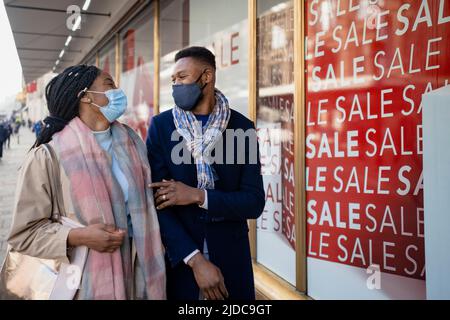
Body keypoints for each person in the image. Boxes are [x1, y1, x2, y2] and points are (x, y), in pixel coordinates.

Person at [7, 65, 166, 300]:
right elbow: (24, 233)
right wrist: (80, 236)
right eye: (110, 84)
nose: (117, 91)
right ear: (85, 96)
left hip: (138, 277)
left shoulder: (133, 143)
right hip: (83, 284)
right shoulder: (49, 156)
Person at [146, 46, 265, 300]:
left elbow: (253, 202)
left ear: (207, 76)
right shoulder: (161, 127)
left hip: (232, 261)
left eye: (182, 77)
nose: (176, 85)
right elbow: (157, 203)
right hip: (182, 263)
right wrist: (195, 259)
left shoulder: (242, 128)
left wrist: (199, 196)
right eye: (173, 80)